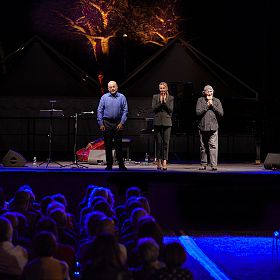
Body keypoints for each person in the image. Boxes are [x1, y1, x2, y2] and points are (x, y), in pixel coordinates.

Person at [97, 81, 129, 171]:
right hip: (107, 123)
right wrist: (101, 123)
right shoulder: (104, 97)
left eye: (114, 86)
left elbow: (125, 111)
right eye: (110, 87)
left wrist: (121, 122)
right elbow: (99, 111)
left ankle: (121, 165)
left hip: (118, 122)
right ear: (108, 88)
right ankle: (109, 165)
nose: (112, 88)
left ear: (117, 87)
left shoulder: (122, 97)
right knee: (108, 145)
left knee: (118, 145)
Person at [196, 84, 224, 171]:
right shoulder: (200, 100)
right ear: (204, 92)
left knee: (213, 146)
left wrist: (212, 106)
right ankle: (203, 164)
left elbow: (221, 113)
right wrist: (207, 106)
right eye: (208, 91)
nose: (210, 92)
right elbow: (198, 113)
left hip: (213, 127)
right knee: (203, 147)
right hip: (203, 127)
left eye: (211, 91)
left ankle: (214, 165)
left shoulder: (217, 101)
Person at [152, 82, 174, 171]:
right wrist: (160, 103)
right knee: (159, 143)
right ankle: (159, 160)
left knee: (166, 143)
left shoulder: (171, 98)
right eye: (160, 88)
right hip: (157, 122)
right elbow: (154, 109)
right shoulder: (155, 97)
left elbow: (170, 110)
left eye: (163, 88)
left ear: (166, 89)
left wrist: (164, 103)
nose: (162, 90)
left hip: (167, 122)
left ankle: (165, 160)